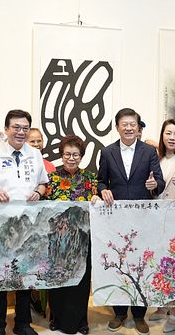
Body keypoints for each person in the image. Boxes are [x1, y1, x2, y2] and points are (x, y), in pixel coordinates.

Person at [0, 109, 49, 335]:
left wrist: (38, 193)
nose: (21, 132)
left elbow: (43, 184)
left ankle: (23, 324)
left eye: (25, 128)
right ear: (6, 129)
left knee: (25, 276)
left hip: (28, 225)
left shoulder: (35, 155)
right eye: (16, 128)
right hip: (0, 225)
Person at [98, 108, 165, 335]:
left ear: (138, 127)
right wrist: (103, 190)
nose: (128, 128)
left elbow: (159, 182)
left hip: (143, 217)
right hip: (115, 219)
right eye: (124, 124)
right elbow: (101, 181)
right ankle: (119, 313)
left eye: (132, 124)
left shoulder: (149, 152)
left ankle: (139, 315)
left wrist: (154, 186)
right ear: (117, 127)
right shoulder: (107, 152)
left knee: (141, 265)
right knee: (119, 263)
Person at [44, 135, 98, 335]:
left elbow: (97, 203)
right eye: (67, 154)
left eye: (76, 154)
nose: (71, 158)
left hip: (82, 240)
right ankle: (56, 318)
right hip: (58, 240)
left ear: (81, 156)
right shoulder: (52, 179)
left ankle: (81, 321)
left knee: (81, 281)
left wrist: (97, 198)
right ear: (62, 155)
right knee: (57, 279)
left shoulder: (90, 179)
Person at [148, 119, 175, 332]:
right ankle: (161, 306)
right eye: (168, 133)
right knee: (160, 263)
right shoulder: (157, 159)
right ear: (162, 135)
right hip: (158, 218)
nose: (172, 137)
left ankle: (173, 313)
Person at [26, 127, 55, 317]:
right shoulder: (24, 164)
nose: (37, 144)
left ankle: (44, 303)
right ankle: (33, 299)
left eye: (39, 141)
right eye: (32, 141)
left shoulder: (50, 166)